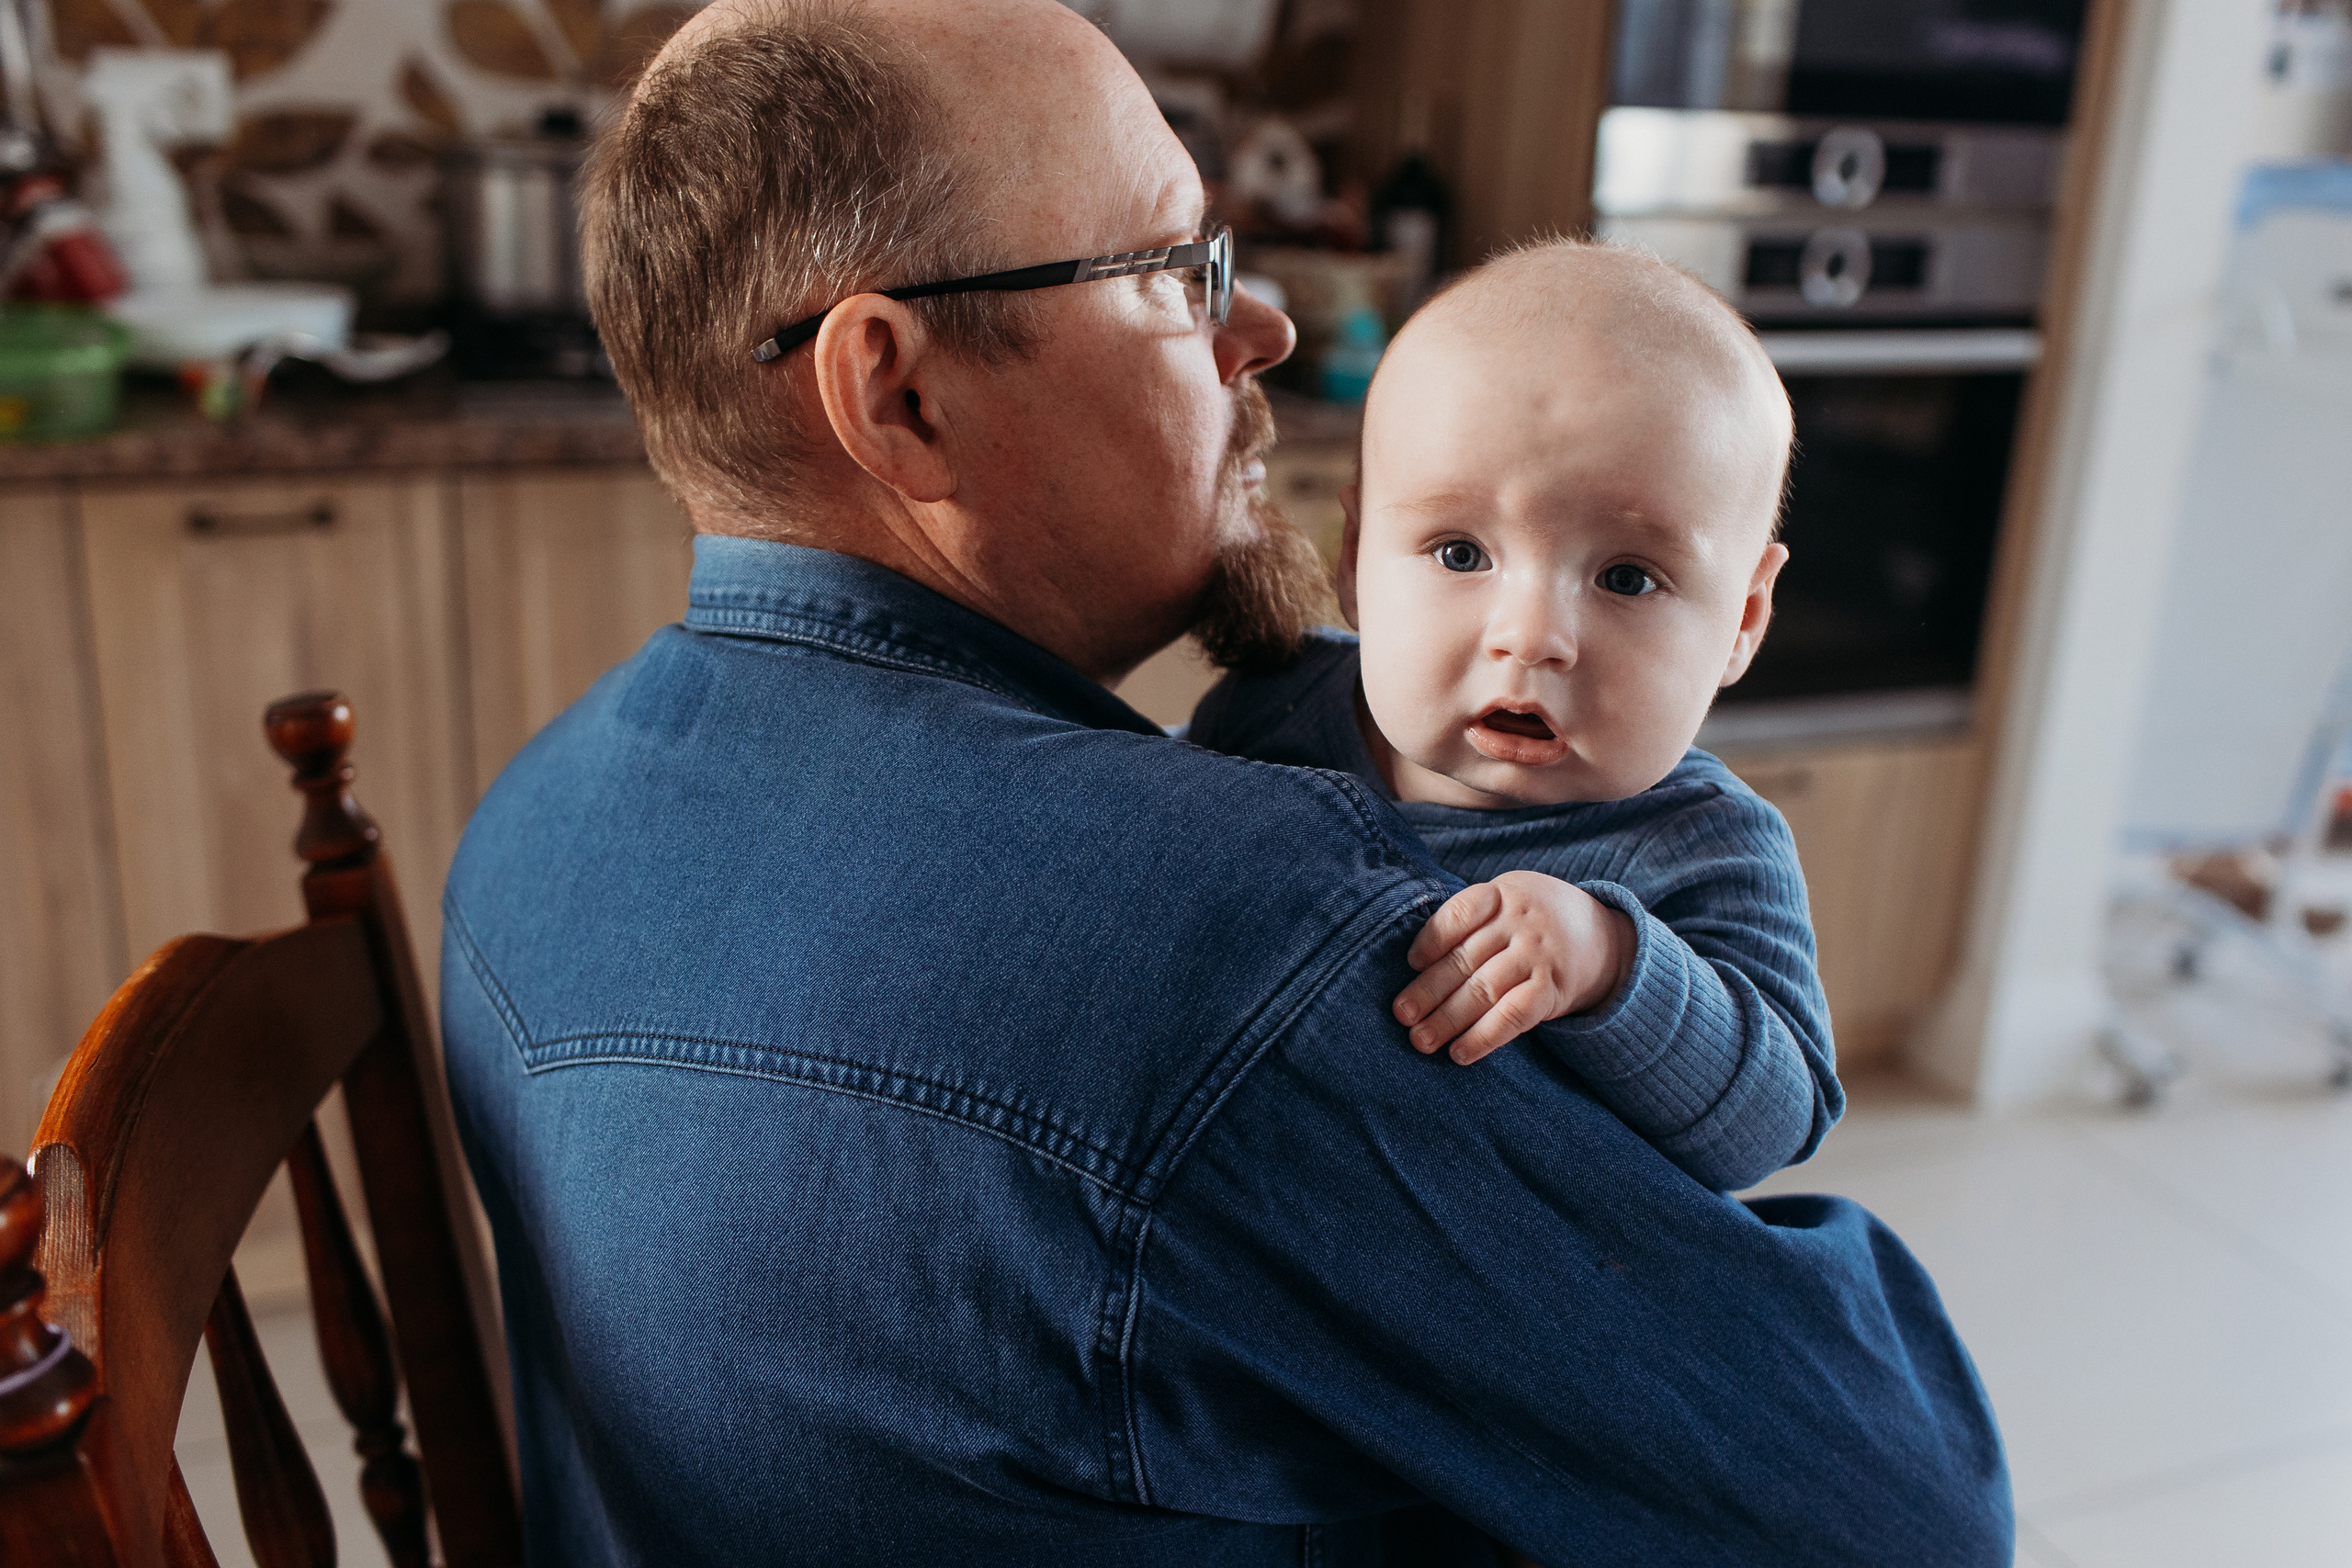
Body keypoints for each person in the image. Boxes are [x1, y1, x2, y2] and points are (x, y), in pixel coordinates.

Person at [436, 1, 2012, 1562]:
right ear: (901, 395)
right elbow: (1903, 1508)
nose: (1259, 332)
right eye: (1175, 274)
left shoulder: (517, 835)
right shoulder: (1243, 938)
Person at [1192, 241, 1836, 1193]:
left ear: (1742, 619)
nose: (1532, 638)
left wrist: (1611, 966)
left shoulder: (1706, 849)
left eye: (1627, 578)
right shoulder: (1267, 706)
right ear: (1356, 556)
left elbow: (1774, 1124)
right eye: (1459, 554)